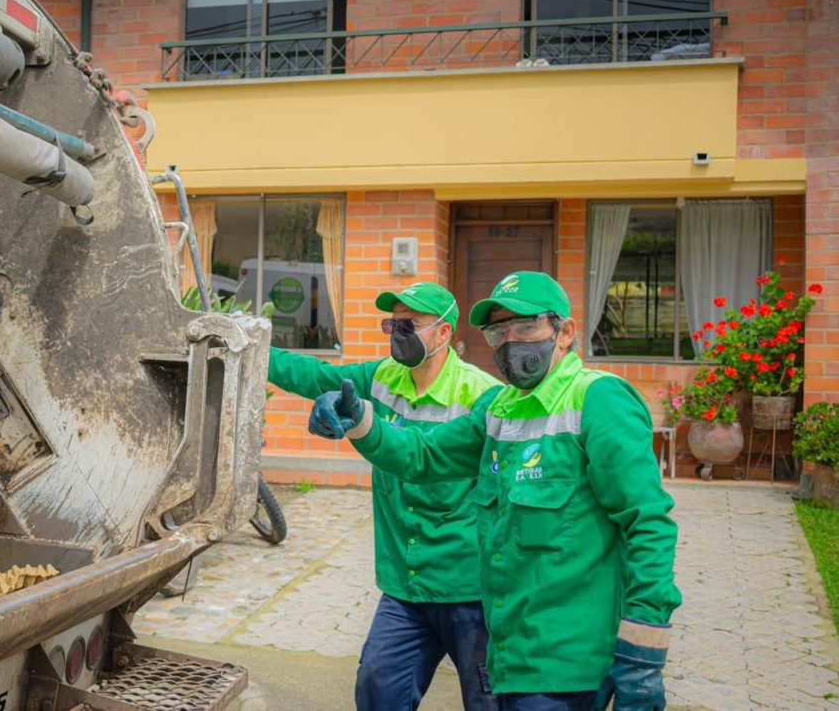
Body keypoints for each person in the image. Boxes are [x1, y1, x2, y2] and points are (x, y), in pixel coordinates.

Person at [308, 271, 681, 711]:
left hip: (567, 664)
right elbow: (423, 456)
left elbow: (648, 525)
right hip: (509, 654)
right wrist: (362, 421)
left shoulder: (598, 400)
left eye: (525, 327)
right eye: (498, 330)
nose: (510, 342)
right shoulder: (497, 409)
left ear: (564, 333)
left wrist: (641, 656)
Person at [268, 281, 501, 711]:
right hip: (404, 585)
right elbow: (310, 375)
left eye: (409, 325)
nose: (397, 332)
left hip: (466, 589)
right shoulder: (381, 377)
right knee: (377, 690)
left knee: (488, 701)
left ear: (444, 333)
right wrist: (250, 349)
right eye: (392, 323)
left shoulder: (482, 395)